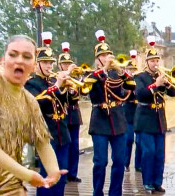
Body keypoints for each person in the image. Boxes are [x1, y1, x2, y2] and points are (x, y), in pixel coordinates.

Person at [0, 35, 65, 195]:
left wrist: (53, 171)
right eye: (13, 54)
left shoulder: (29, 101)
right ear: (4, 60)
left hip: (13, 187)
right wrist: (26, 174)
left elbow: (42, 141)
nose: (19, 60)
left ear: (33, 66)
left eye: (26, 57)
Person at [84, 31, 135, 196]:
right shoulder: (92, 75)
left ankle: (115, 193)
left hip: (118, 121)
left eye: (108, 54)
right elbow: (86, 87)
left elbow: (131, 86)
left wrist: (121, 71)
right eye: (103, 55)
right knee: (100, 161)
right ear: (97, 59)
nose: (107, 57)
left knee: (119, 160)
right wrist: (103, 70)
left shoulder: (115, 74)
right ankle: (97, 192)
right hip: (100, 120)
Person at [25, 46, 71, 196]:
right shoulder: (31, 83)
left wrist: (69, 90)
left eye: (50, 63)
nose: (49, 66)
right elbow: (37, 103)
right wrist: (57, 86)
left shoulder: (52, 80)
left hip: (62, 132)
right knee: (48, 175)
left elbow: (67, 103)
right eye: (44, 62)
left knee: (62, 175)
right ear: (36, 64)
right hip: (46, 132)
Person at [134, 38, 175, 193]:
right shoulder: (140, 76)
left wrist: (167, 83)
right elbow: (140, 94)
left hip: (159, 119)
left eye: (157, 60)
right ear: (147, 62)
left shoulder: (160, 75)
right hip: (145, 119)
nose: (155, 63)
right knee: (148, 152)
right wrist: (155, 85)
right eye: (152, 60)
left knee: (159, 153)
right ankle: (148, 182)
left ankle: (157, 182)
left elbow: (174, 93)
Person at [57, 45, 83, 183]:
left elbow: (82, 92)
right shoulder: (57, 78)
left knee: (75, 146)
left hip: (74, 113)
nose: (67, 65)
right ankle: (65, 173)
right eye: (64, 63)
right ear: (59, 65)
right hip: (63, 113)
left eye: (68, 63)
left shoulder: (75, 77)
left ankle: (73, 173)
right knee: (65, 144)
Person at [123, 59, 140, 172]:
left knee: (139, 141)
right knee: (129, 139)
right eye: (130, 69)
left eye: (133, 69)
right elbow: (122, 94)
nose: (132, 72)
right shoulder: (123, 81)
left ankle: (138, 165)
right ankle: (126, 163)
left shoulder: (139, 80)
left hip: (138, 111)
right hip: (127, 110)